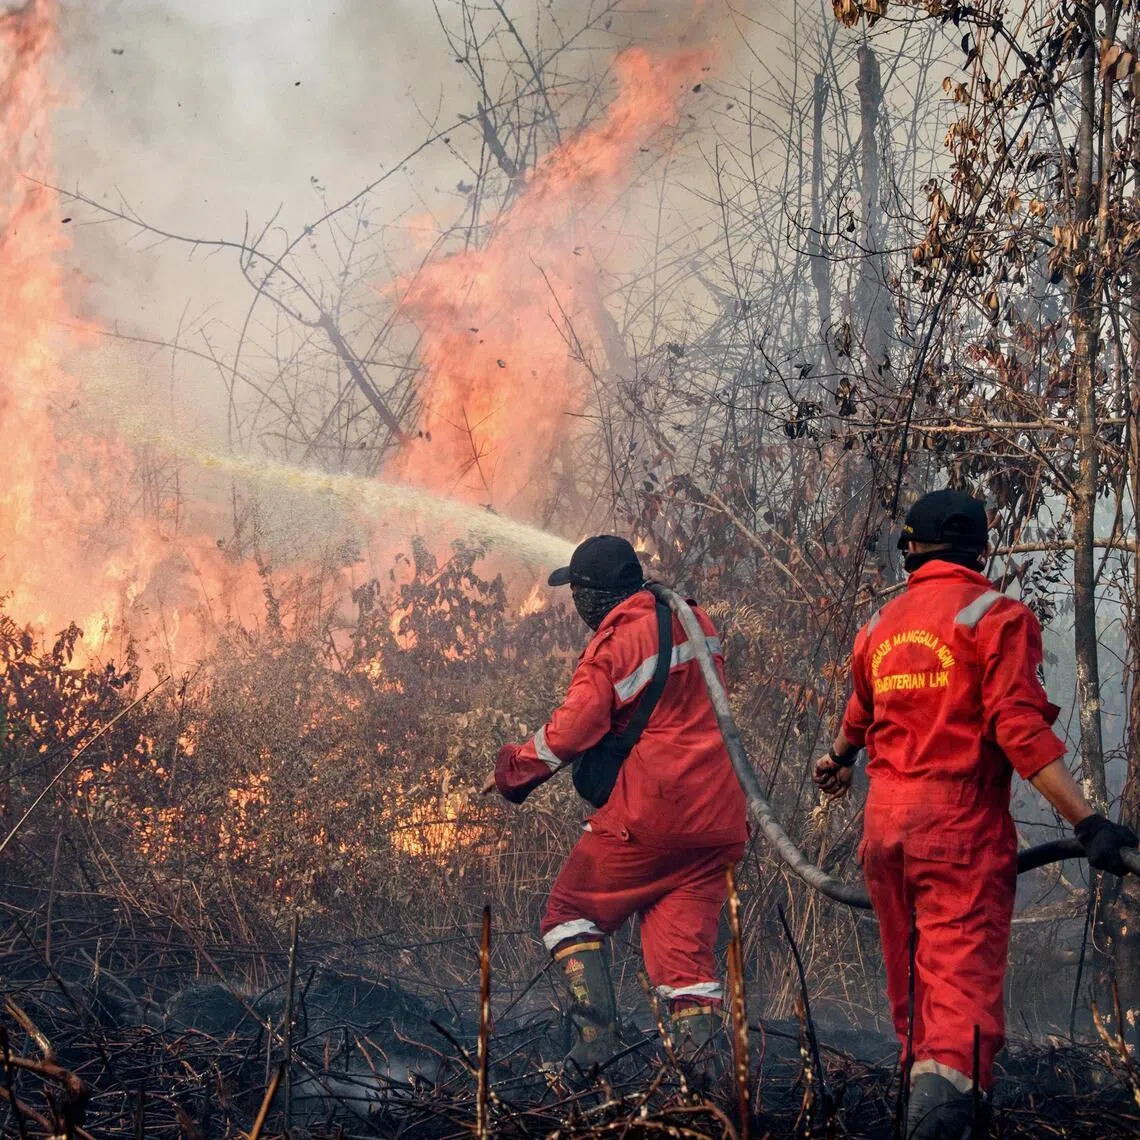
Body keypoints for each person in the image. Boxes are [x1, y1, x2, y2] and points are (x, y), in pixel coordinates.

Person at [813, 489, 1138, 1140]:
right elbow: (1019, 732)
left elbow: (860, 713)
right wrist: (1087, 822)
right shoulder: (996, 617)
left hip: (885, 836)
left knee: (916, 1002)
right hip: (958, 833)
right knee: (959, 1008)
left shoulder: (880, 627)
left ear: (910, 550)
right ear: (980, 550)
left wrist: (839, 760)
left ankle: (930, 1115)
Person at [481, 535, 747, 1075]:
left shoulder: (617, 643)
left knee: (569, 915)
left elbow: (573, 730)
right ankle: (704, 1089)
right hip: (717, 822)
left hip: (651, 818)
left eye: (577, 591)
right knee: (684, 967)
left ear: (592, 596)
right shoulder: (693, 620)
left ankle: (593, 1046)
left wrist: (513, 770)